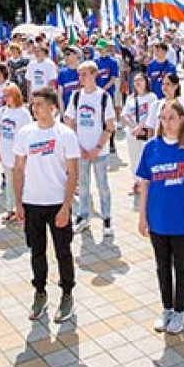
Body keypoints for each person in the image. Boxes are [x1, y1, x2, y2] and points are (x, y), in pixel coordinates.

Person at [137, 100, 184, 335]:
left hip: (182, 223)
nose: (167, 123)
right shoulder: (151, 147)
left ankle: (180, 311)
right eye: (163, 118)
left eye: (172, 118)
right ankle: (166, 308)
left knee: (182, 268)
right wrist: (142, 217)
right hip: (158, 222)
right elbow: (145, 185)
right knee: (162, 267)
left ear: (181, 120)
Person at [12, 86, 80, 324]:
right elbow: (18, 169)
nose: (34, 107)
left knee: (63, 251)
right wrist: (18, 203)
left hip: (57, 204)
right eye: (33, 104)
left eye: (39, 104)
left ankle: (67, 294)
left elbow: (73, 173)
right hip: (32, 204)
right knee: (36, 252)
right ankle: (40, 292)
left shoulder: (65, 134)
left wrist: (65, 206)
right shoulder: (25, 133)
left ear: (53, 108)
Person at [65, 62, 116, 237]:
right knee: (83, 186)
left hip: (99, 152)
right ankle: (83, 216)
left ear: (94, 74)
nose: (81, 78)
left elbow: (109, 126)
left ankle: (107, 219)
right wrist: (77, 146)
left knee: (103, 186)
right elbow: (69, 121)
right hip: (81, 151)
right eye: (80, 74)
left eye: (84, 74)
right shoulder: (76, 96)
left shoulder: (103, 97)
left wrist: (98, 147)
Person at [0, 83, 32, 223]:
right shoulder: (3, 111)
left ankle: (22, 209)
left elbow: (29, 135)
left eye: (8, 95)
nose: (5, 98)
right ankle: (10, 209)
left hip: (19, 156)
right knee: (9, 183)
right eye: (4, 96)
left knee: (21, 183)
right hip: (5, 153)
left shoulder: (24, 113)